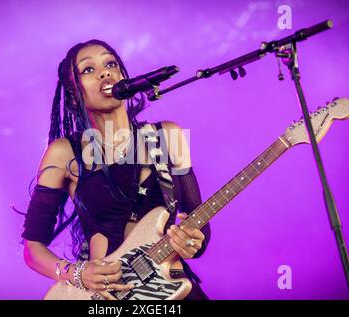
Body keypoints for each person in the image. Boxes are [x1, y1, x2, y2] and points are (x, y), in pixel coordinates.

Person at [21, 39, 211, 300]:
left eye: (110, 63)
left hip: (169, 288)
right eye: (88, 70)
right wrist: (74, 272)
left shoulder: (168, 135)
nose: (104, 72)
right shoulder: (64, 152)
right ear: (75, 94)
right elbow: (32, 247)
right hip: (108, 296)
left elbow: (198, 224)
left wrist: (191, 243)